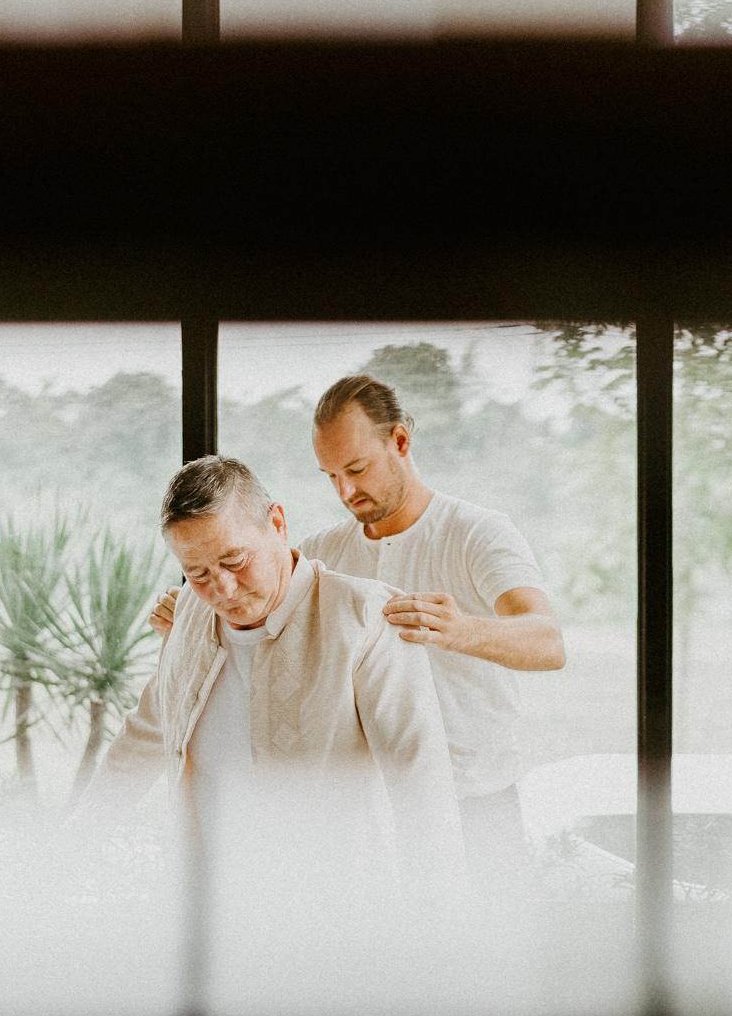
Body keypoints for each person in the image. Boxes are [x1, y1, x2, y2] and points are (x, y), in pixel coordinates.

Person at [152, 375, 564, 881]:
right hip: (381, 809)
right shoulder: (322, 550)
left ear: (400, 441)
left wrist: (459, 630)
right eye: (330, 475)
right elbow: (255, 607)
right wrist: (192, 618)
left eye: (356, 468)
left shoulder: (476, 533)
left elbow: (548, 642)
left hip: (478, 798)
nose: (345, 490)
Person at [80, 454, 463, 892]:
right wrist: (72, 845)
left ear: (277, 523)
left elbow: (421, 783)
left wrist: (438, 916)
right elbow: (147, 731)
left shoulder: (364, 617)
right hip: (206, 898)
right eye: (197, 572)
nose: (222, 589)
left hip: (336, 905)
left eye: (235, 560)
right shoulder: (187, 610)